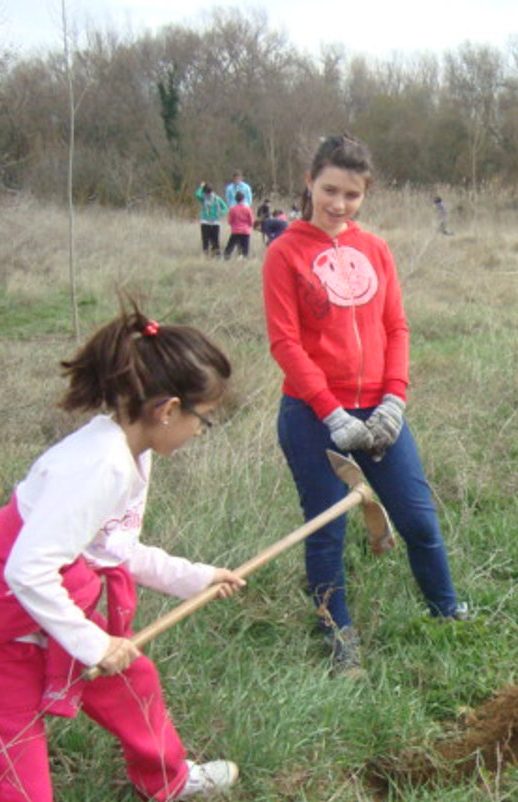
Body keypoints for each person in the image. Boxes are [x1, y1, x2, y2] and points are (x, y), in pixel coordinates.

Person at [0, 306, 244, 802]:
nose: (201, 432)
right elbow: (25, 570)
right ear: (168, 410)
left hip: (53, 610)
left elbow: (117, 550)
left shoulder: (133, 452)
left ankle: (166, 778)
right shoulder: (96, 466)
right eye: (204, 419)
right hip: (0, 628)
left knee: (135, 683)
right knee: (20, 797)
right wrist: (93, 642)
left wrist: (195, 578)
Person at [263, 135, 469, 678]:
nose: (339, 204)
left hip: (381, 412)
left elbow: (396, 326)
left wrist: (394, 400)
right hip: (313, 417)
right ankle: (339, 638)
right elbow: (285, 343)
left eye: (352, 195)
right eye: (330, 190)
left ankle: (448, 613)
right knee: (326, 530)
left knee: (418, 519)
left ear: (365, 194)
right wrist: (331, 412)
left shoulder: (376, 249)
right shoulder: (284, 252)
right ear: (309, 182)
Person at [195, 182, 228, 257]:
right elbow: (225, 208)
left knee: (211, 240)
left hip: (212, 222)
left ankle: (213, 254)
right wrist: (221, 213)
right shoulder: (209, 198)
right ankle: (209, 254)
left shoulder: (213, 199)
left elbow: (225, 208)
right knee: (209, 239)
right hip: (208, 222)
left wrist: (201, 187)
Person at [224, 190, 253, 259]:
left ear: (235, 199)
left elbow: (230, 221)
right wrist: (248, 226)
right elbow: (251, 221)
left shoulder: (233, 209)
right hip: (245, 231)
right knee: (245, 249)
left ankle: (226, 257)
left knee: (230, 247)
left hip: (235, 231)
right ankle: (244, 259)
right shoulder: (248, 209)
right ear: (243, 199)